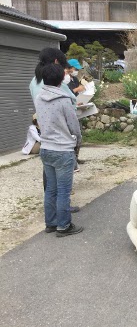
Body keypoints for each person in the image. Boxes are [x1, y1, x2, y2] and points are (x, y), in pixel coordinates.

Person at [34, 63, 83, 237]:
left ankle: (51, 223)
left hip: (45, 148)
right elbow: (74, 126)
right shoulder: (63, 99)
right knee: (63, 190)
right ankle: (63, 226)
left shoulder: (39, 97)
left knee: (51, 189)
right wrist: (78, 141)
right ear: (62, 78)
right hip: (63, 150)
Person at [30, 48, 80, 213]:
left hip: (48, 139)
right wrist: (76, 140)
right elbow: (61, 107)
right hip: (59, 138)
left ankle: (52, 217)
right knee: (59, 185)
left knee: (52, 182)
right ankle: (62, 218)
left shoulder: (37, 82)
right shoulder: (46, 84)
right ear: (56, 62)